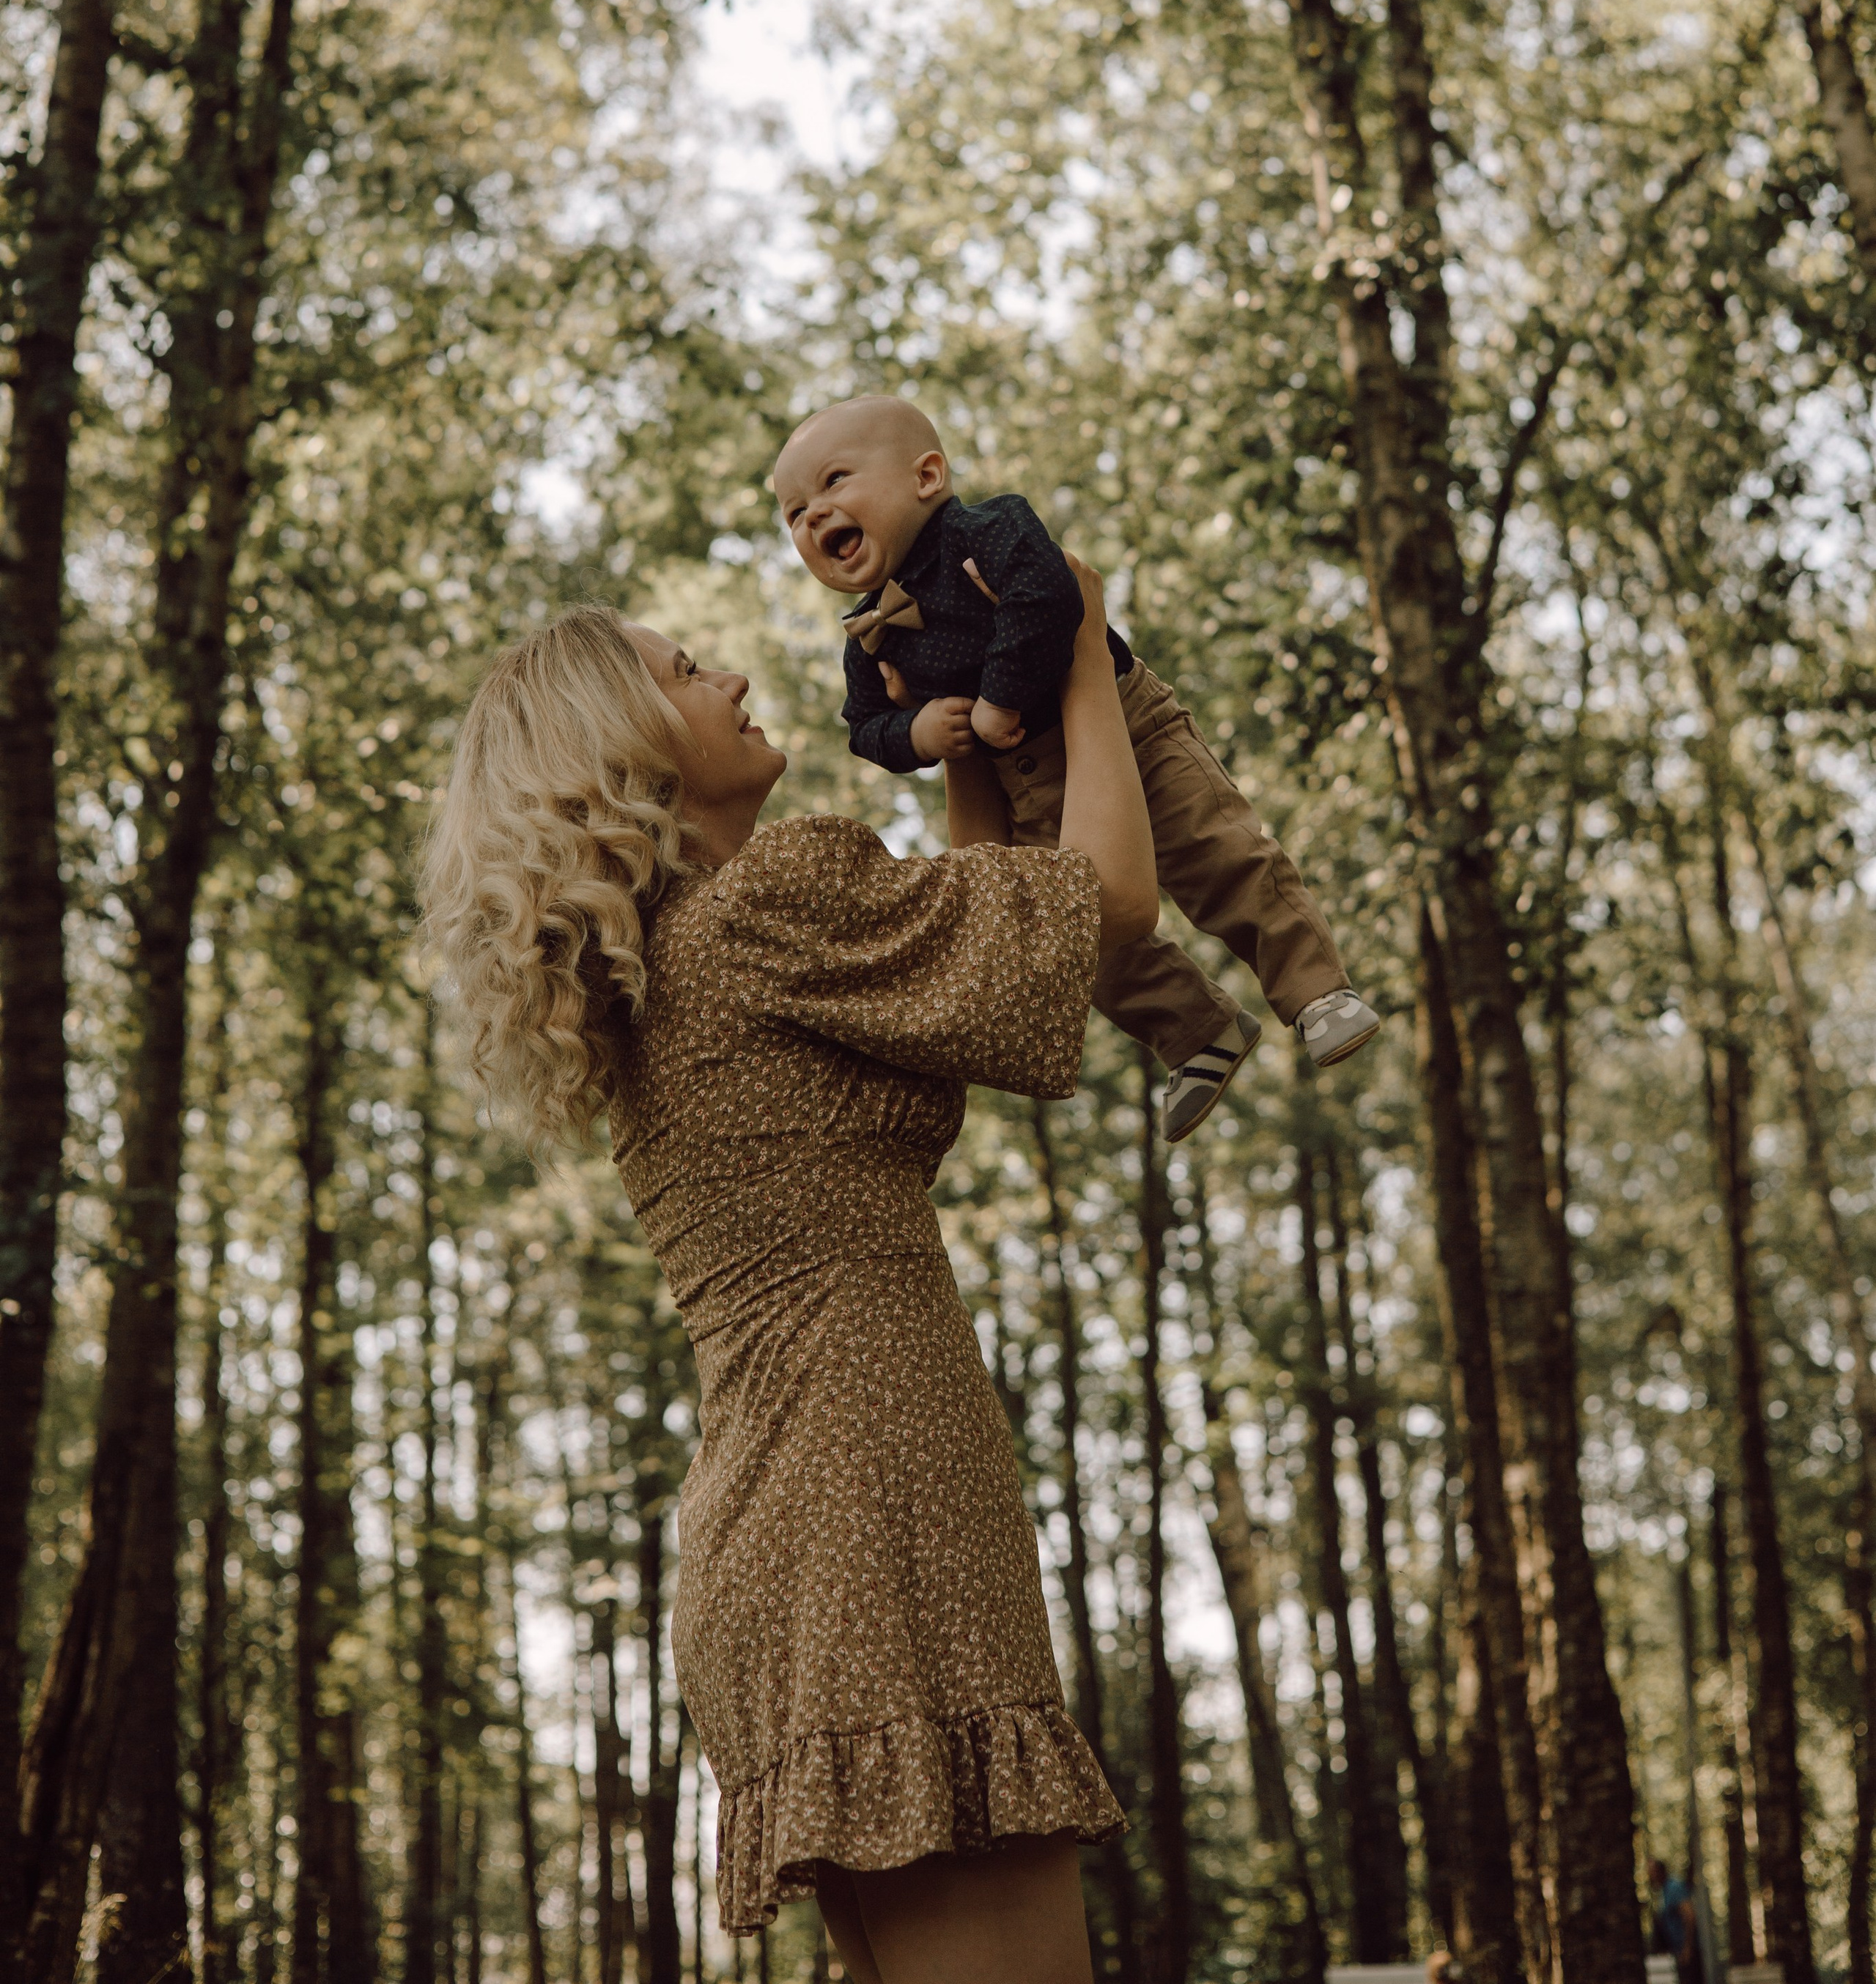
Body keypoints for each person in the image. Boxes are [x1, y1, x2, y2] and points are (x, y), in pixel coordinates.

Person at [423, 561, 1162, 1983]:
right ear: (624, 752)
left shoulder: (666, 979)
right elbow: (1106, 907)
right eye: (685, 667)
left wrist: (969, 743)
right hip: (881, 1515)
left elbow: (980, 945)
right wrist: (1069, 659)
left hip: (788, 1535)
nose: (731, 676)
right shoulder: (770, 909)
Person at [773, 394, 1381, 1141]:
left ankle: (1316, 991)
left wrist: (994, 697)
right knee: (1061, 933)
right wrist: (919, 731)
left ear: (927, 475)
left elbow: (1050, 595)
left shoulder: (991, 531)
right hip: (1022, 784)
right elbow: (864, 730)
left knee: (1215, 852)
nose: (812, 516)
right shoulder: (869, 636)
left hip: (1124, 725)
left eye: (833, 482)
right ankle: (1197, 1033)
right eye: (794, 513)